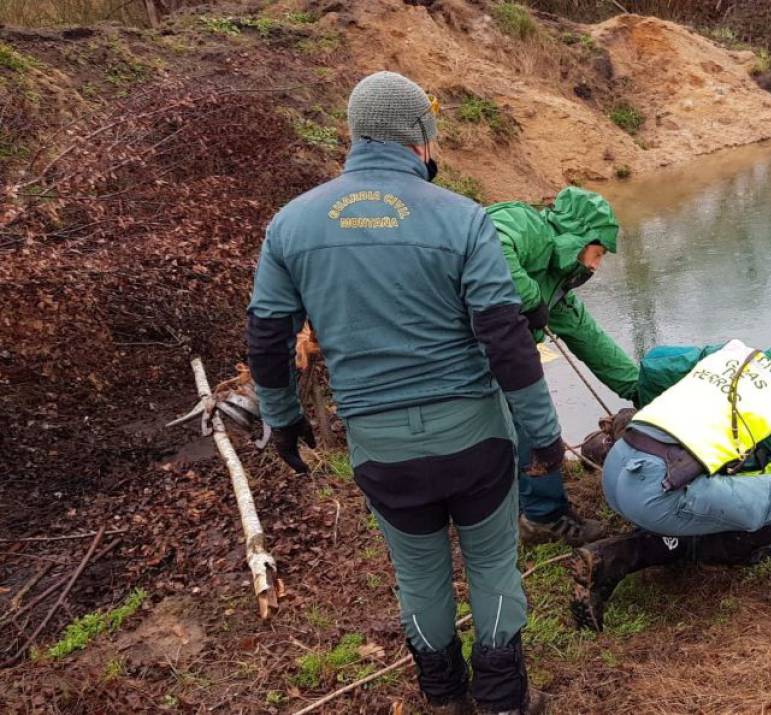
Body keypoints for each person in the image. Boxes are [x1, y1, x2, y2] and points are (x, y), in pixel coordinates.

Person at [246, 71, 558, 714]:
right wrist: (546, 434)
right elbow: (506, 340)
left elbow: (266, 335)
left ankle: (443, 701)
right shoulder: (464, 218)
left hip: (381, 448)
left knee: (419, 576)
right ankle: (502, 703)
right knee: (493, 565)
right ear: (421, 138)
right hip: (474, 438)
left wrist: (282, 420)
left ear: (354, 134)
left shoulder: (291, 225)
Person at [570, 336, 771, 631]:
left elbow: (655, 363)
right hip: (655, 490)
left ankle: (612, 556)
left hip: (618, 467)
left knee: (711, 485)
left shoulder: (735, 354)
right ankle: (633, 555)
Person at [486, 188, 638, 546]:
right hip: (460, 356)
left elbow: (595, 344)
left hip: (495, 360)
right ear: (579, 237)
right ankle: (543, 517)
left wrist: (642, 389)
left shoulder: (558, 291)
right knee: (535, 427)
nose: (596, 266)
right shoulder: (526, 224)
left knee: (519, 428)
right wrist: (529, 298)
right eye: (597, 253)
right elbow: (488, 237)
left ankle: (520, 509)